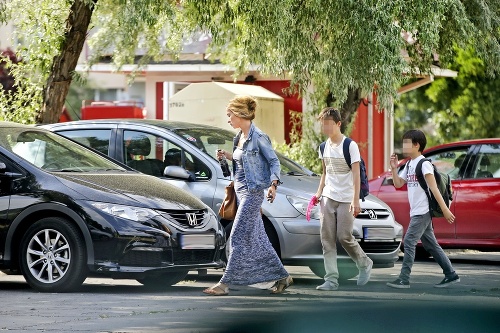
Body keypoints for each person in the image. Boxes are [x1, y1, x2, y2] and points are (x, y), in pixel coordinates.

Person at [202, 95, 292, 296]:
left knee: (236, 236)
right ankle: (283, 276)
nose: (228, 119)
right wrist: (226, 156)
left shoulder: (259, 137)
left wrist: (273, 184)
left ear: (240, 114)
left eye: (230, 115)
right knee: (259, 240)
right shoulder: (239, 137)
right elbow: (242, 162)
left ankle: (224, 284)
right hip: (239, 192)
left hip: (252, 194)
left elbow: (274, 162)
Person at [387, 129, 460, 289]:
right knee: (431, 245)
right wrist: (394, 168)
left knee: (409, 242)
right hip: (416, 211)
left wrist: (446, 210)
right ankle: (451, 274)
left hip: (423, 211)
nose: (404, 146)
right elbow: (399, 183)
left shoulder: (424, 164)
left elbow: (434, 188)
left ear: (416, 145)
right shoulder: (409, 164)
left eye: (407, 143)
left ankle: (403, 279)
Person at [313, 107, 373, 291]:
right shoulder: (323, 147)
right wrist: (318, 193)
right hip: (328, 197)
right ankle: (331, 279)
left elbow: (356, 175)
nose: (327, 128)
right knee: (327, 239)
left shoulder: (350, 146)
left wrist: (356, 201)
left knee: (344, 236)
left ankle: (364, 263)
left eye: (329, 124)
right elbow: (325, 172)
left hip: (346, 198)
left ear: (338, 124)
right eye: (324, 125)